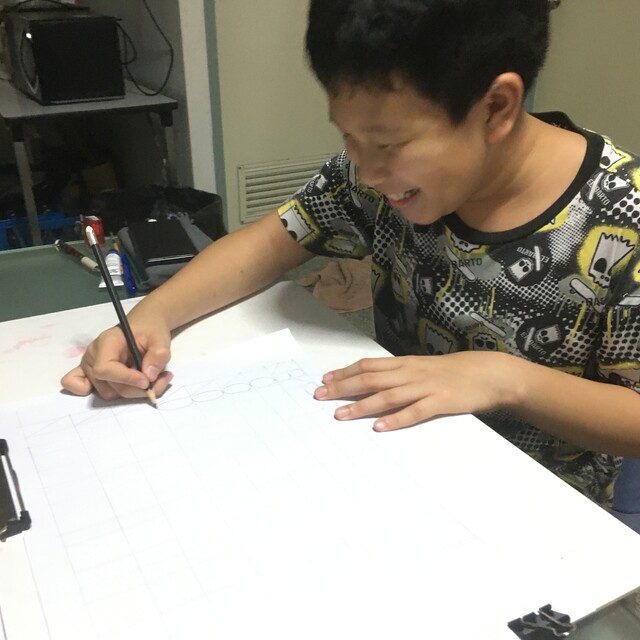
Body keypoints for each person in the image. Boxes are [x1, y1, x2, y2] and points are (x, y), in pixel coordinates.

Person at [62, 0, 640, 508]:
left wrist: (506, 379)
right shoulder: (377, 178)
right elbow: (269, 242)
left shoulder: (621, 217)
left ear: (495, 107)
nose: (366, 171)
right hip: (391, 465)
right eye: (348, 137)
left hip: (541, 515)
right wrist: (152, 316)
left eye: (387, 143)